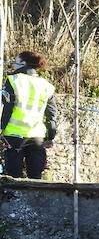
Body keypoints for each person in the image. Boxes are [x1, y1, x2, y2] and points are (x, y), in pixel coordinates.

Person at [1, 51, 58, 179]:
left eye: (15, 61)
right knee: (36, 177)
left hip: (13, 135)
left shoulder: (13, 80)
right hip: (37, 136)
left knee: (13, 178)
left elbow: (7, 107)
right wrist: (51, 136)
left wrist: (2, 129)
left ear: (23, 63)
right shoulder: (46, 86)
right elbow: (52, 114)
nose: (13, 65)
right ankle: (36, 199)